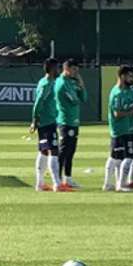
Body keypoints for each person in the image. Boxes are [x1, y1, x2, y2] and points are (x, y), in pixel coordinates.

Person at [30, 58, 67, 192]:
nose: (59, 70)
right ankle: (57, 183)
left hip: (45, 122)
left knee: (44, 151)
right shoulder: (47, 84)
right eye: (57, 67)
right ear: (52, 69)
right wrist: (35, 119)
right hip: (48, 122)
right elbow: (39, 101)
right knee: (53, 151)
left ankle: (40, 184)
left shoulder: (43, 81)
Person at [103, 65, 133, 192]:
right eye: (130, 76)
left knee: (116, 157)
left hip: (130, 128)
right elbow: (117, 114)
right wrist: (132, 111)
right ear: (122, 76)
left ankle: (108, 184)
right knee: (127, 157)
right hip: (120, 130)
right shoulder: (117, 93)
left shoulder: (130, 91)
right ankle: (121, 184)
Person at [55, 58, 87, 189]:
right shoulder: (62, 83)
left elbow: (84, 98)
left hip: (74, 121)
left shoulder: (72, 82)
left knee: (71, 151)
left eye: (77, 70)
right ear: (66, 69)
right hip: (65, 121)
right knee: (63, 151)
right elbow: (74, 100)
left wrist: (81, 84)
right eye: (74, 70)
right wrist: (77, 88)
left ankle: (67, 178)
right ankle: (57, 179)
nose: (76, 73)